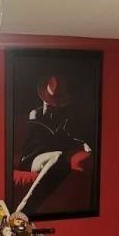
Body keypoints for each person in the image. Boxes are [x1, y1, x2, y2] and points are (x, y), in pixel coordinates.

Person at [17, 76, 92, 213]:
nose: (51, 107)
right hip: (32, 158)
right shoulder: (35, 114)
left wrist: (82, 144)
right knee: (58, 156)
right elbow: (41, 139)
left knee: (59, 158)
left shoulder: (63, 120)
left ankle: (26, 207)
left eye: (54, 104)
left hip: (52, 157)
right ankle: (25, 208)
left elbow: (65, 140)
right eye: (49, 103)